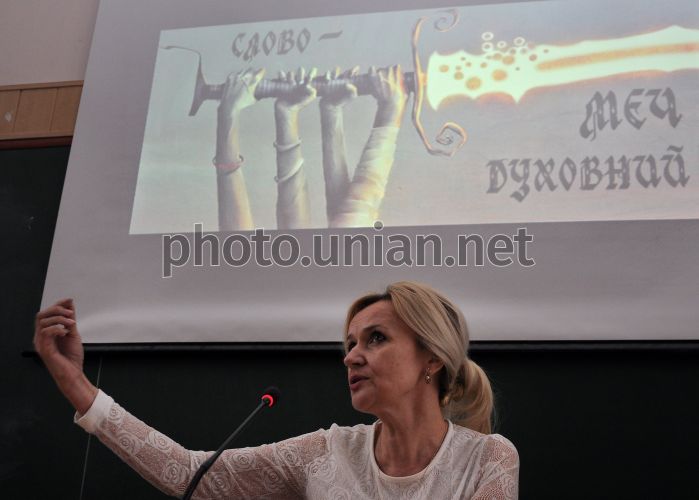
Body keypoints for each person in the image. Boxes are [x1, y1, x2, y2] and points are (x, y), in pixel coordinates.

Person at [34, 281, 519, 498]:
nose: (352, 356)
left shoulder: (489, 459)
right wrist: (77, 385)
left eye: (376, 339)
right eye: (350, 343)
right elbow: (188, 473)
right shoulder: (326, 452)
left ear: (432, 358)